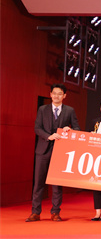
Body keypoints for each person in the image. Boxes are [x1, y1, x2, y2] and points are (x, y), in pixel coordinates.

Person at [26, 83, 80, 222]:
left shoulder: (69, 110)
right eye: (54, 93)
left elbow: (77, 129)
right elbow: (37, 128)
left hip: (60, 151)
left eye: (59, 94)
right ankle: (35, 212)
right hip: (42, 151)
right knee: (38, 183)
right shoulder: (42, 109)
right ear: (50, 94)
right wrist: (48, 136)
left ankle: (55, 212)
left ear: (64, 96)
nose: (56, 96)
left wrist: (70, 130)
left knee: (57, 184)